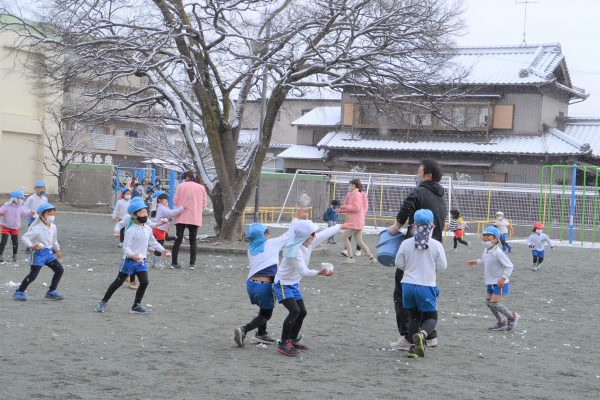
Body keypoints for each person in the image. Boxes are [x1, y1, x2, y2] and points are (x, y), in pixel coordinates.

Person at [388, 159, 446, 350]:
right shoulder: (440, 197)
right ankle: (429, 335)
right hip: (432, 253)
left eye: (419, 171)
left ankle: (407, 337)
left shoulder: (419, 191)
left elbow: (407, 204)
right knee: (426, 297)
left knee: (403, 295)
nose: (417, 173)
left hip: (414, 252)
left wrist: (397, 225)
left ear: (428, 175)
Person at [274, 219, 338, 357]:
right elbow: (304, 272)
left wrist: (341, 226)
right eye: (313, 235)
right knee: (294, 311)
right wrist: (319, 272)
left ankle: (292, 339)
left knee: (302, 312)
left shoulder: (307, 242)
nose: (315, 237)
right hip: (283, 284)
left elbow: (325, 233)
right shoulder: (294, 251)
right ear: (307, 237)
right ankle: (284, 343)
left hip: (294, 284)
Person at [96, 197, 170, 314]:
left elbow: (153, 242)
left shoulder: (147, 229)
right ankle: (103, 302)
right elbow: (126, 248)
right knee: (118, 283)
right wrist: (132, 255)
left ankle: (136, 305)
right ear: (134, 216)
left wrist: (163, 250)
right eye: (142, 213)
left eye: (146, 212)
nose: (145, 215)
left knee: (144, 282)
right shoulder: (130, 230)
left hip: (142, 261)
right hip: (129, 261)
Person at [395, 209, 447, 358]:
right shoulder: (436, 245)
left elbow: (399, 262)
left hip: (407, 285)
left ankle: (413, 347)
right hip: (426, 285)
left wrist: (410, 268)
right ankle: (422, 335)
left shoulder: (406, 243)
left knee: (414, 317)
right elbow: (443, 266)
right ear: (433, 226)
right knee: (431, 317)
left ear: (413, 225)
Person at [234, 223, 294, 347]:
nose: (270, 235)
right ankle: (244, 329)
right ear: (265, 235)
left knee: (263, 307)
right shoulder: (271, 243)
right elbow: (289, 234)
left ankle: (261, 334)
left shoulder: (251, 248)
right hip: (264, 285)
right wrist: (298, 218)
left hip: (251, 285)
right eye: (267, 233)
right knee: (266, 314)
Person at [466, 226, 519, 331]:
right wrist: (475, 261)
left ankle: (512, 317)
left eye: (488, 235)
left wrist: (503, 278)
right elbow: (484, 260)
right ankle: (501, 322)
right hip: (490, 282)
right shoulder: (486, 250)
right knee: (488, 303)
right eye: (484, 235)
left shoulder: (498, 252)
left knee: (493, 303)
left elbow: (509, 266)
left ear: (496, 239)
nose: (485, 237)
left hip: (499, 283)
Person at [14, 203, 65, 301]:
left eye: (53, 214)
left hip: (49, 254)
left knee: (59, 270)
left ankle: (51, 291)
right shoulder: (37, 228)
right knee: (33, 276)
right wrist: (32, 246)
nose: (52, 216)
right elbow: (25, 237)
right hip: (38, 255)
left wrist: (57, 250)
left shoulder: (53, 227)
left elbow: (54, 240)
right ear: (42, 215)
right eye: (49, 213)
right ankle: (20, 291)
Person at [171, 171, 207, 270]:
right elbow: (204, 204)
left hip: (181, 216)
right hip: (194, 217)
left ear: (186, 177)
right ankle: (192, 263)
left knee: (178, 240)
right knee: (193, 241)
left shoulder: (181, 186)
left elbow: (175, 201)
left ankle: (174, 262)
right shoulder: (201, 187)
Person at [338, 179, 375, 263]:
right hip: (357, 221)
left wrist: (345, 206)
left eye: (350, 185)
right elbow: (352, 208)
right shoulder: (354, 194)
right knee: (359, 241)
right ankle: (371, 258)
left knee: (344, 237)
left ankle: (350, 257)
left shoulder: (356, 195)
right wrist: (340, 209)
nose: (349, 186)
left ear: (354, 185)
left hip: (355, 222)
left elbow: (356, 208)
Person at [150, 191, 182, 268]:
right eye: (164, 198)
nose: (166, 200)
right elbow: (172, 213)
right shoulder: (161, 207)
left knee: (157, 246)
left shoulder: (155, 207)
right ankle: (157, 263)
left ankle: (154, 263)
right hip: (160, 230)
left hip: (155, 229)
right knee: (159, 247)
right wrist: (182, 208)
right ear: (159, 200)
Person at [0, 191, 34, 263]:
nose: (22, 200)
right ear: (14, 198)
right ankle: (0, 255)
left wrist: (30, 213)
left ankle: (14, 255)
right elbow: (1, 211)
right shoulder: (6, 206)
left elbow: (23, 214)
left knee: (15, 242)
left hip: (15, 227)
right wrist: (1, 213)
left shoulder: (20, 207)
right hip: (5, 226)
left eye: (22, 198)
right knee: (3, 241)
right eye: (20, 198)